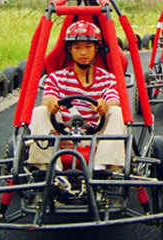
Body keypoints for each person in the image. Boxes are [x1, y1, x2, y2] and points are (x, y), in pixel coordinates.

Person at [27, 21, 126, 172]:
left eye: (88, 46)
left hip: (96, 137)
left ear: (96, 48)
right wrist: (51, 103)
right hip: (62, 136)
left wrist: (105, 104)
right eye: (77, 47)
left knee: (117, 112)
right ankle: (50, 168)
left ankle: (101, 169)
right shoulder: (56, 78)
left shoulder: (108, 78)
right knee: (40, 111)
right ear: (70, 50)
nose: (83, 53)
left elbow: (113, 101)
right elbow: (48, 99)